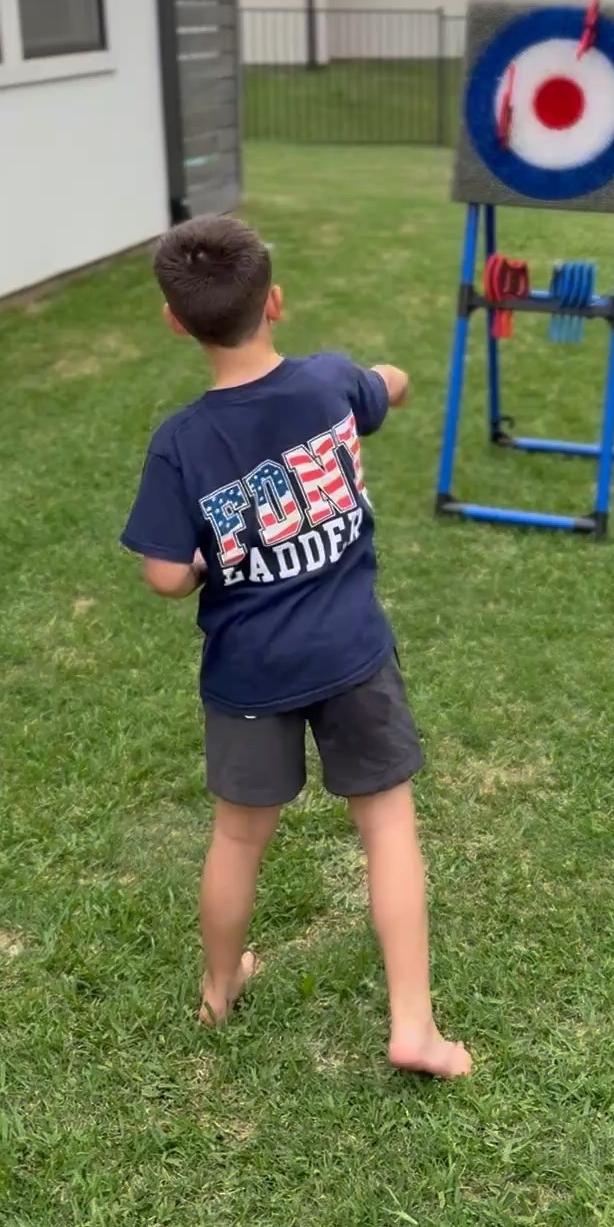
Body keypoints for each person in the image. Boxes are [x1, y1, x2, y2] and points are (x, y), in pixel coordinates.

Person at [121, 214, 470, 1079]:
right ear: (274, 301)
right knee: (387, 827)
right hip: (353, 654)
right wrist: (378, 380)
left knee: (238, 839)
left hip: (248, 672)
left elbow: (164, 575)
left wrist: (204, 561)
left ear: (176, 322)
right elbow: (394, 382)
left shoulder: (181, 443)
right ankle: (413, 1028)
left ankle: (218, 987)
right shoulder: (326, 385)